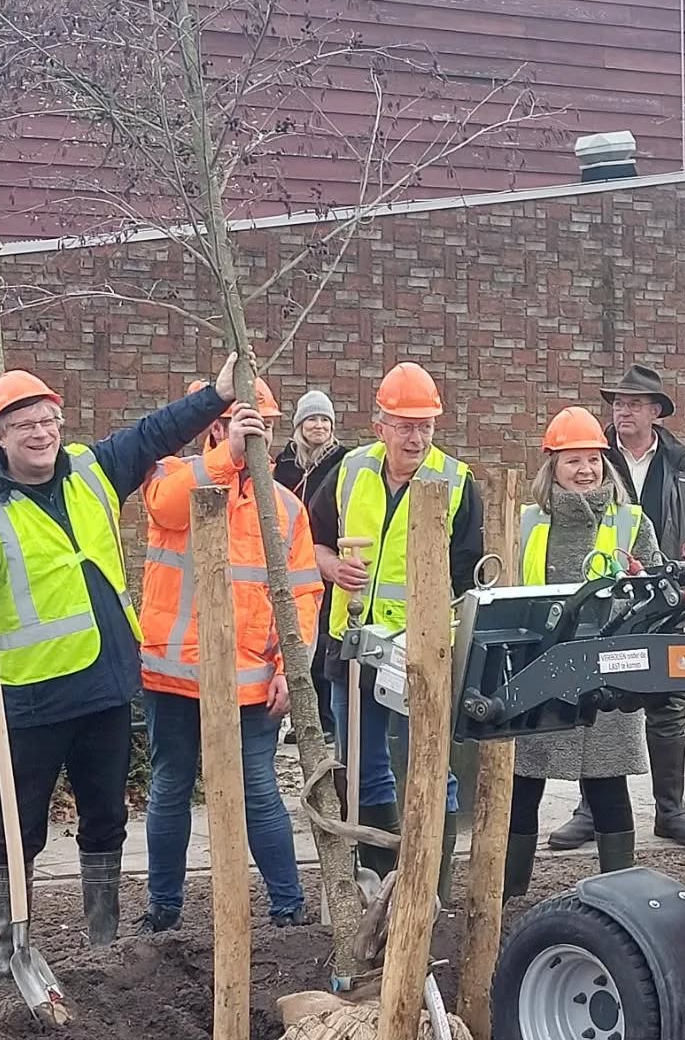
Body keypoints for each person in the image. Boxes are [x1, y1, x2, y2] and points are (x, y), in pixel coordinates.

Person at [0, 357, 237, 975]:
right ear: (0, 436)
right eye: (25, 426)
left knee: (106, 817)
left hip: (105, 685)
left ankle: (104, 940)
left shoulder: (92, 470)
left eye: (47, 421)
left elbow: (154, 433)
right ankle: (9, 943)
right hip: (34, 695)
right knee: (18, 824)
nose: (40, 433)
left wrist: (216, 396)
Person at [136, 377, 321, 931]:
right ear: (215, 426)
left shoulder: (284, 508)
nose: (257, 436)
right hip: (176, 677)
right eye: (243, 424)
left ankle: (288, 907)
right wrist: (228, 456)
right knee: (171, 787)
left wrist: (292, 669)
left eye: (264, 427)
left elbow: (303, 595)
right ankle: (163, 909)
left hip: (251, 681)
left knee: (259, 790)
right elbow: (170, 509)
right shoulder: (174, 475)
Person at [308, 361, 482, 901]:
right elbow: (311, 541)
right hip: (352, 643)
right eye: (405, 426)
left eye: (425, 426)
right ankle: (381, 887)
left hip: (419, 651)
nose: (416, 438)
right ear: (379, 425)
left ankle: (433, 891)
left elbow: (468, 578)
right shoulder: (351, 469)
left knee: (432, 767)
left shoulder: (456, 481)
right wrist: (332, 567)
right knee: (362, 767)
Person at [548, 362, 685, 852]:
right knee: (597, 702)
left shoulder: (682, 463)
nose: (623, 411)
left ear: (656, 412)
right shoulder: (595, 454)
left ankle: (671, 810)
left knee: (668, 704)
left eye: (634, 404)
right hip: (606, 605)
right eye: (618, 403)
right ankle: (589, 812)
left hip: (665, 599)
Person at [504, 406, 661, 895]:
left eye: (593, 459)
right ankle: (505, 892)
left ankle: (620, 892)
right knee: (521, 785)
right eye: (573, 460)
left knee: (608, 783)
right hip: (539, 669)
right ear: (552, 466)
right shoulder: (526, 521)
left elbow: (655, 592)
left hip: (606, 672)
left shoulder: (632, 521)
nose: (586, 470)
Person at [273, 388, 342, 741]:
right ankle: (302, 720)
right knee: (294, 638)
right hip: (290, 560)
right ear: (299, 425)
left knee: (325, 639)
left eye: (325, 420)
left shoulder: (342, 461)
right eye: (312, 419)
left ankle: (326, 720)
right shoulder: (284, 464)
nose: (319, 426)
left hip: (325, 557)